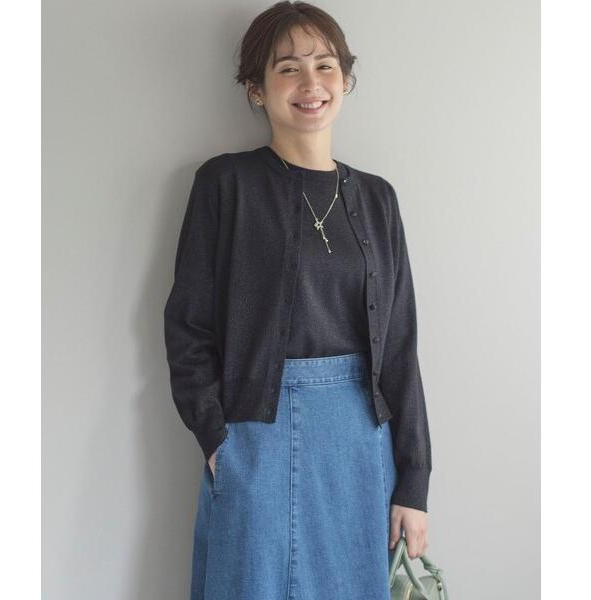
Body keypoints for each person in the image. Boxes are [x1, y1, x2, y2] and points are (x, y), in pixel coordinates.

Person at [163, 2, 432, 599]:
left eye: (325, 65)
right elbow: (188, 325)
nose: (311, 83)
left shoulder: (378, 199)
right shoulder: (225, 184)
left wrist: (414, 482)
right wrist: (217, 441)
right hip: (254, 434)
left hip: (360, 443)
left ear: (345, 80)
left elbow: (400, 346)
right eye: (288, 68)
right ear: (257, 89)